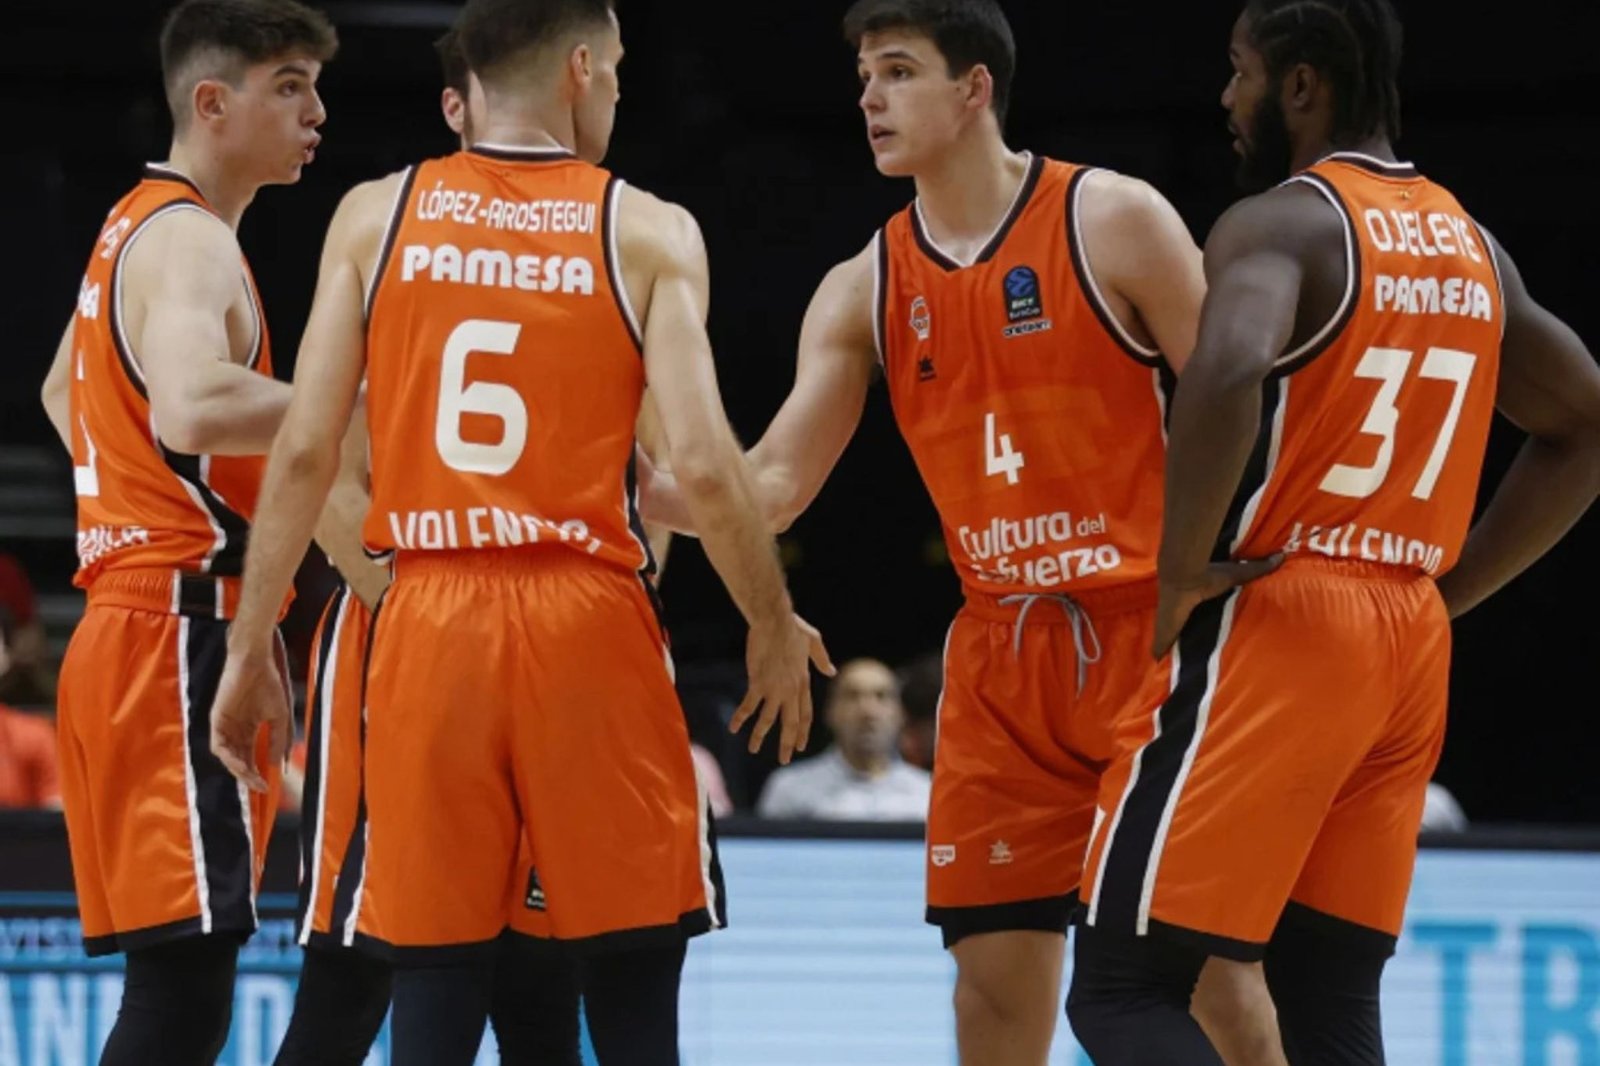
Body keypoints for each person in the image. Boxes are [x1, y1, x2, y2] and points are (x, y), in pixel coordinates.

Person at [643, 2, 1283, 1062]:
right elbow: (774, 488)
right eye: (862, 75)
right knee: (989, 989)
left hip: (1149, 634)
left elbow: (1240, 402)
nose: (869, 97)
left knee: (1206, 973)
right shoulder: (863, 284)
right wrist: (636, 484)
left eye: (898, 71)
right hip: (996, 655)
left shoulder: (1110, 217)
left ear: (974, 89)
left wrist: (1225, 575)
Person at [209, 2, 830, 1064]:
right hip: (584, 612)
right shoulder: (644, 227)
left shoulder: (373, 214)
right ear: (582, 68)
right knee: (632, 978)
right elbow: (709, 466)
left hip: (427, 612)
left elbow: (306, 454)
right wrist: (768, 619)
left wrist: (250, 641)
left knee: (437, 983)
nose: (624, 91)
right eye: (622, 69)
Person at [1067, 2, 1600, 1063]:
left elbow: (1224, 369)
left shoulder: (1284, 221)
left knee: (1124, 985)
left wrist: (1178, 569)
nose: (1226, 99)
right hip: (1407, 638)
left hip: (1288, 605)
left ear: (1301, 86)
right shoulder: (1470, 242)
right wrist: (1449, 593)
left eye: (1239, 73)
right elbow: (1584, 423)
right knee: (1329, 993)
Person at [35, 1, 334, 1062]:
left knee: (181, 977)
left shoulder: (134, 227)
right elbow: (190, 407)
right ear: (212, 102)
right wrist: (343, 399)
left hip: (133, 624)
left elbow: (65, 392)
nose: (318, 111)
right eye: (290, 85)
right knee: (184, 990)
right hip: (175, 634)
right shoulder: (192, 239)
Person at [758, 657, 931, 820]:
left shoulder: (929, 793)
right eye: (852, 696)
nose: (868, 711)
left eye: (881, 696)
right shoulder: (790, 789)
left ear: (900, 714)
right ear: (830, 712)